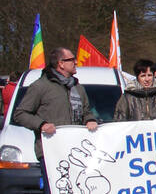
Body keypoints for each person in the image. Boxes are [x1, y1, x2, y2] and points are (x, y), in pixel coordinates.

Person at [14, 47, 98, 194]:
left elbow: (86, 112)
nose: (76, 62)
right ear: (61, 63)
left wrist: (90, 120)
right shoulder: (40, 86)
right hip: (50, 151)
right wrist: (42, 125)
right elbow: (20, 114)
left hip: (75, 151)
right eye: (72, 59)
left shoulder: (78, 88)